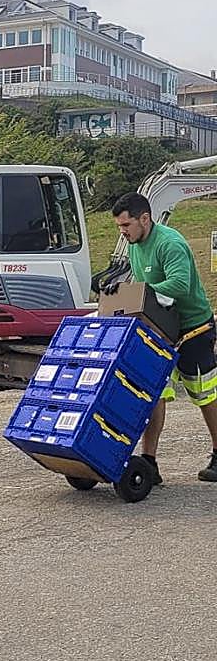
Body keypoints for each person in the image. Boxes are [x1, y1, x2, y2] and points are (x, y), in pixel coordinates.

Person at [110, 192, 217, 483]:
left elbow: (179, 285)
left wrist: (140, 293)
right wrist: (121, 291)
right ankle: (149, 462)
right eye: (119, 227)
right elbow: (140, 284)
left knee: (204, 394)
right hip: (160, 328)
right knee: (154, 393)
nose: (122, 232)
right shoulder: (134, 245)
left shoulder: (170, 243)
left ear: (144, 218)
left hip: (193, 327)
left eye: (126, 225)